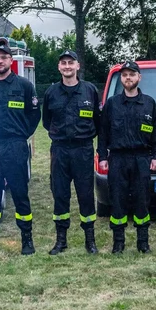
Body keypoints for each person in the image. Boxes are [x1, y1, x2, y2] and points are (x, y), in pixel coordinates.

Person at [0, 42, 41, 255]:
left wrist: (21, 134)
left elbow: (34, 114)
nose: (0, 61)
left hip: (15, 146)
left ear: (11, 61)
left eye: (4, 57)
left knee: (20, 193)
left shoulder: (23, 86)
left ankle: (26, 239)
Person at [97, 61, 156, 254]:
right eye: (124, 75)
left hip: (141, 158)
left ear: (139, 78)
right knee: (117, 200)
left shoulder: (149, 103)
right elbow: (103, 133)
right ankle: (118, 242)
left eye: (131, 74)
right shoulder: (112, 104)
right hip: (117, 158)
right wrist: (102, 156)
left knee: (142, 200)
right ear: (122, 79)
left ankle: (143, 242)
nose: (128, 78)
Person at [42, 50, 100, 255]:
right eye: (63, 63)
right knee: (60, 194)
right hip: (60, 150)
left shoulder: (90, 90)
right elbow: (46, 122)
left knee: (85, 194)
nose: (67, 66)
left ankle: (90, 240)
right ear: (59, 67)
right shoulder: (51, 93)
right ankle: (61, 240)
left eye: (71, 63)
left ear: (78, 66)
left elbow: (98, 121)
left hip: (83, 149)